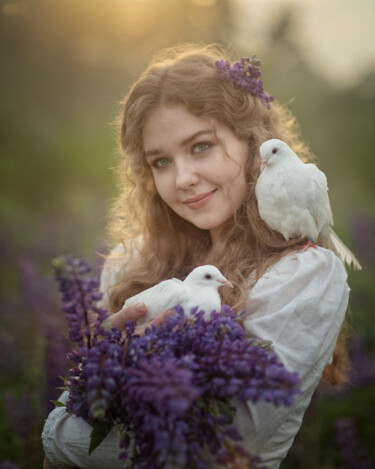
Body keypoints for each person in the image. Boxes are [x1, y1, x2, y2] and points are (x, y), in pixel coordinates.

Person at [42, 44, 350, 469]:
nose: (183, 179)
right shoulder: (129, 264)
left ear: (251, 143)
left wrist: (56, 434)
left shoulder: (305, 275)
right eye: (161, 161)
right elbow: (87, 407)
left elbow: (216, 446)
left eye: (201, 146)